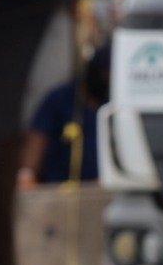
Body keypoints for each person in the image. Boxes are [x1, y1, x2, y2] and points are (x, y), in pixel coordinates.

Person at [17, 46, 108, 188]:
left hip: (101, 188)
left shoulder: (113, 102)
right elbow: (37, 139)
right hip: (59, 188)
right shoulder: (60, 99)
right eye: (104, 75)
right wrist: (27, 173)